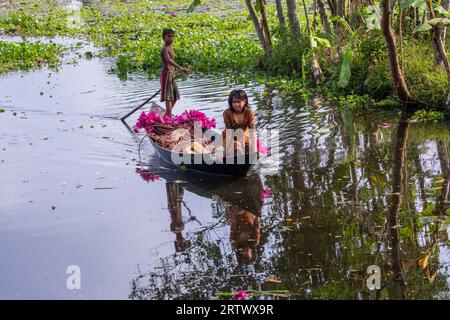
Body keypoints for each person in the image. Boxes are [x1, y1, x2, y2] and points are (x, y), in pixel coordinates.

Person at [160, 28, 189, 117]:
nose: (171, 38)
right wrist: (180, 67)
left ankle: (167, 115)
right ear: (163, 38)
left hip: (172, 75)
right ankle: (168, 115)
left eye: (172, 36)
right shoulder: (164, 49)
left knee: (175, 95)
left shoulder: (171, 47)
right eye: (168, 36)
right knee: (168, 97)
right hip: (166, 74)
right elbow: (168, 60)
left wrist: (178, 70)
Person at [222, 89, 257, 156]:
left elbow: (252, 131)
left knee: (250, 149)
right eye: (234, 102)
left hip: (244, 136)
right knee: (236, 149)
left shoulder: (249, 112)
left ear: (245, 101)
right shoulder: (227, 113)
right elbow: (229, 132)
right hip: (230, 137)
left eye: (238, 101)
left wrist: (254, 149)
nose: (236, 104)